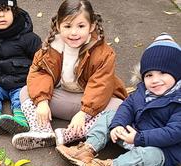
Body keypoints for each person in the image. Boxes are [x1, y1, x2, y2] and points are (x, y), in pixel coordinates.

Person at [56, 33, 181, 166]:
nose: (155, 80)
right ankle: (87, 148)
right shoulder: (142, 91)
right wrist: (118, 124)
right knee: (110, 115)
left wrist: (138, 138)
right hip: (132, 134)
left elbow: (173, 133)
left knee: (147, 156)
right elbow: (127, 107)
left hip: (160, 149)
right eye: (149, 75)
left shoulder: (177, 101)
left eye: (163, 73)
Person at [12, 0, 127, 150]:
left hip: (92, 105)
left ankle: (70, 134)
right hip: (65, 99)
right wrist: (42, 102)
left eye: (81, 26)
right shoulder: (51, 47)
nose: (73, 32)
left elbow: (100, 86)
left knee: (119, 106)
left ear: (91, 26)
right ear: (59, 26)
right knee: (26, 91)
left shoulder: (104, 54)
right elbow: (40, 74)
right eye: (67, 26)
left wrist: (84, 113)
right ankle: (42, 130)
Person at [0, 0, 41, 137]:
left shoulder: (28, 38)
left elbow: (41, 60)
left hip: (21, 82)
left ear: (14, 12)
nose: (1, 16)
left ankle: (20, 122)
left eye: (6, 10)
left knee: (20, 99)